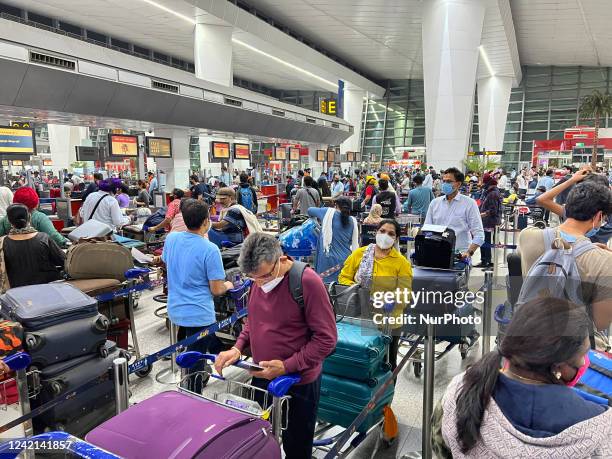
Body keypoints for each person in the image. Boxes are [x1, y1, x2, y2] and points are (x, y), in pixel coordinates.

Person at [432, 297, 611, 458]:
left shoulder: (460, 392)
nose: (584, 362)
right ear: (559, 367)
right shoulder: (599, 427)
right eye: (583, 354)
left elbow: (441, 449)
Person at [214, 233, 337, 459]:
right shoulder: (257, 282)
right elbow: (254, 321)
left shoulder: (307, 282)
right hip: (262, 375)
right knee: (260, 438)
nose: (260, 283)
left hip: (298, 382)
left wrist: (288, 366)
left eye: (264, 276)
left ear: (280, 259)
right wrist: (238, 347)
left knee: (296, 446)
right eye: (253, 279)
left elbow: (326, 339)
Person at [518, 181, 612, 352]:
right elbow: (601, 322)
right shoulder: (604, 260)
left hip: (530, 339)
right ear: (598, 216)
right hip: (576, 352)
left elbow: (562, 242)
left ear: (568, 207)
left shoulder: (527, 237)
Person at [162, 200, 233, 393]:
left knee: (194, 346)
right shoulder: (210, 250)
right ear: (206, 221)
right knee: (195, 360)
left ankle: (217, 359)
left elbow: (168, 262)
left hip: (176, 309)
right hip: (199, 314)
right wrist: (230, 284)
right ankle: (193, 395)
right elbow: (217, 289)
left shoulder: (172, 239)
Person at [339, 219, 412, 370]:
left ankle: (388, 392)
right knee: (361, 360)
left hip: (388, 322)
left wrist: (387, 300)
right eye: (382, 231)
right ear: (376, 232)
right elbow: (343, 277)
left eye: (391, 233)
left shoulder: (401, 263)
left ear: (396, 239)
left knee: (387, 363)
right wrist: (358, 291)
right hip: (359, 317)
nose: (385, 235)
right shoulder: (360, 253)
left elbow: (405, 294)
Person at [0, 204, 65, 292]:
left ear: (9, 221)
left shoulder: (2, 243)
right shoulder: (44, 238)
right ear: (29, 217)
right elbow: (63, 261)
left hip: (17, 292)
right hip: (48, 289)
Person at [424, 167, 485, 259]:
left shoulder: (469, 204)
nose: (445, 184)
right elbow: (427, 229)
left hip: (460, 255)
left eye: (449, 181)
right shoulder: (434, 203)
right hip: (436, 252)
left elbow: (479, 234)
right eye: (443, 181)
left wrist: (468, 253)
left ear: (458, 184)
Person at [307, 197, 358, 282]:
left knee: (326, 288)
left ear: (336, 205)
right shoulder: (352, 221)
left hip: (328, 260)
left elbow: (310, 210)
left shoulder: (327, 212)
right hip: (345, 260)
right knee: (341, 287)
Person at [0, 187, 68, 248]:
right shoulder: (39, 218)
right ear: (35, 202)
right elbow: (55, 238)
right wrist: (66, 243)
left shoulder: (6, 219)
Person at [477, 178, 502, 269]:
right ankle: (484, 260)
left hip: (490, 223)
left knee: (487, 242)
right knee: (484, 241)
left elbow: (493, 210)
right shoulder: (490, 193)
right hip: (487, 222)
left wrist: (482, 214)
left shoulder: (493, 194)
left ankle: (488, 261)